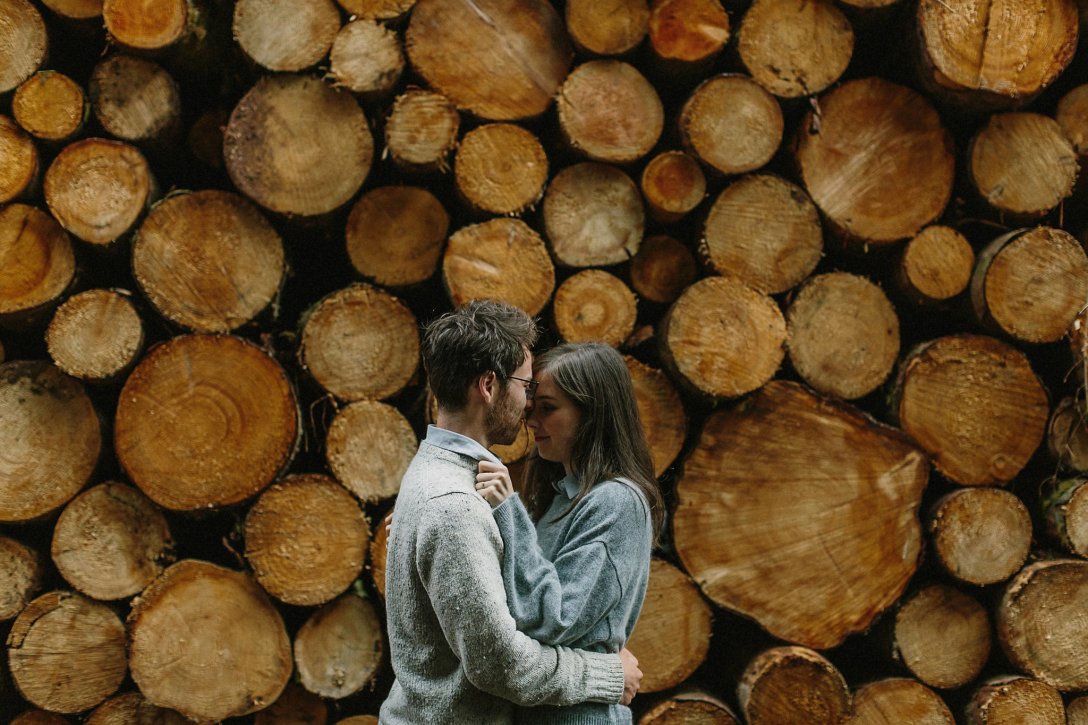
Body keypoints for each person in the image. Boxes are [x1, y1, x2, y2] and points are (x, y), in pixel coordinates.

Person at [379, 300, 642, 725]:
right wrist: (607, 674)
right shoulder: (455, 503)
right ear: (488, 384)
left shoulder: (434, 475)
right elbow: (499, 664)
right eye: (524, 385)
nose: (526, 407)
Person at [474, 342, 665, 724]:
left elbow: (554, 618)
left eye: (548, 408)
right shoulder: (563, 496)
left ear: (592, 412)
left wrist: (508, 514)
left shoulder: (616, 502)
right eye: (531, 409)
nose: (532, 422)